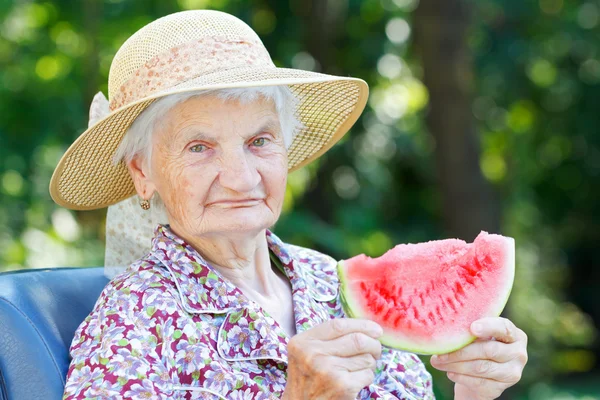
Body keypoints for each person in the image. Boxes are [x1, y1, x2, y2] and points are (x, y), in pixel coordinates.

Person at [51, 10, 528, 400]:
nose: (240, 178)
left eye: (259, 140)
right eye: (199, 147)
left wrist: (472, 390)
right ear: (142, 172)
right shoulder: (128, 323)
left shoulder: (331, 283)